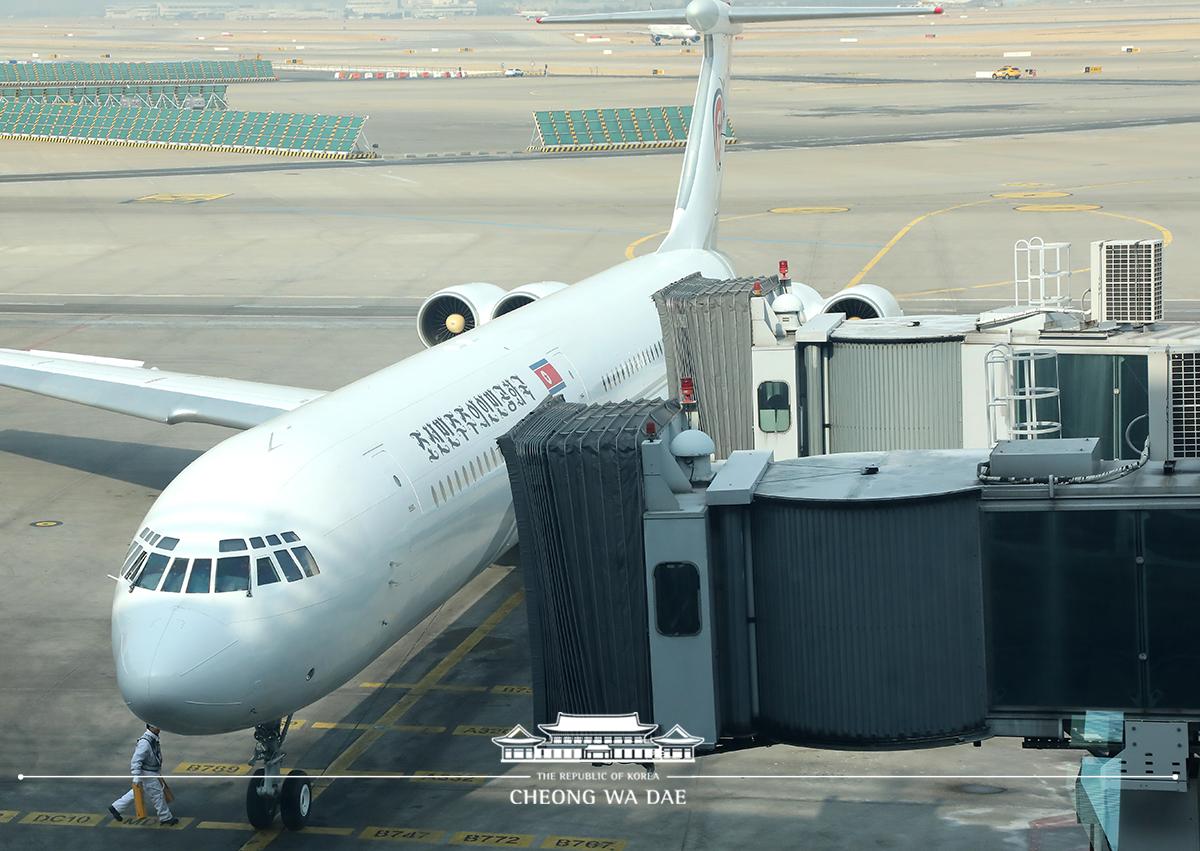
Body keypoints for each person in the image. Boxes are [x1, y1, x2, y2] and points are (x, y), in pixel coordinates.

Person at [108, 723, 179, 826]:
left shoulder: (152, 739)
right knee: (157, 795)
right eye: (156, 725)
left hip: (152, 771)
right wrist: (136, 776)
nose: (159, 727)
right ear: (150, 727)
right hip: (148, 773)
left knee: (137, 792)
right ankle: (165, 817)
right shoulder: (145, 743)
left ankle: (116, 807)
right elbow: (136, 760)